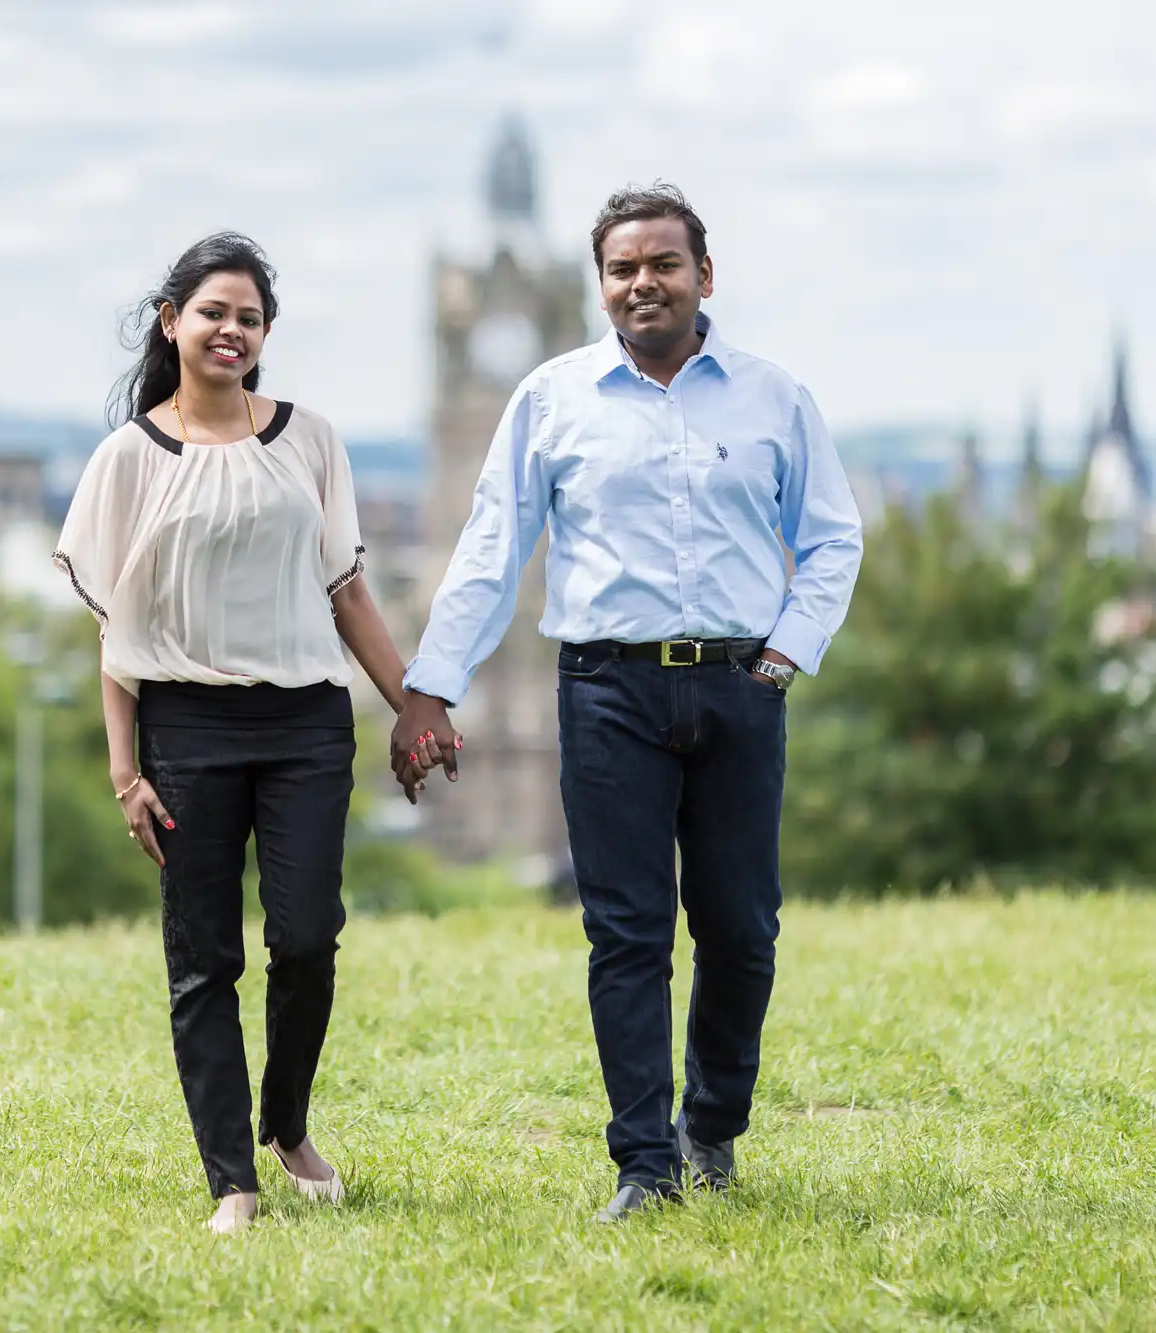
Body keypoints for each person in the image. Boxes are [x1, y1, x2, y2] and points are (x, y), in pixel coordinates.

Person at [393, 184, 863, 1223]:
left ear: (703, 275)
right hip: (605, 687)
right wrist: (429, 685)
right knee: (626, 934)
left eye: (661, 263)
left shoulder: (772, 397)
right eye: (621, 268)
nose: (641, 282)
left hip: (740, 681)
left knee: (740, 928)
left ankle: (712, 1128)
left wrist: (783, 659)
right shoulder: (552, 399)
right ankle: (643, 1165)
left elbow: (832, 537)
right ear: (598, 284)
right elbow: (489, 546)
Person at [53, 233, 417, 1235]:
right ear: (170, 321)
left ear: (264, 337)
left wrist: (412, 702)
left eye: (249, 318)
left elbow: (347, 593)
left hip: (303, 719)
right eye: (212, 312)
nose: (230, 331)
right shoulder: (128, 459)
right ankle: (232, 1181)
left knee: (305, 936)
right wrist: (125, 770)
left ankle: (286, 1122)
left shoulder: (309, 440)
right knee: (201, 957)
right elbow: (115, 636)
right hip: (184, 725)